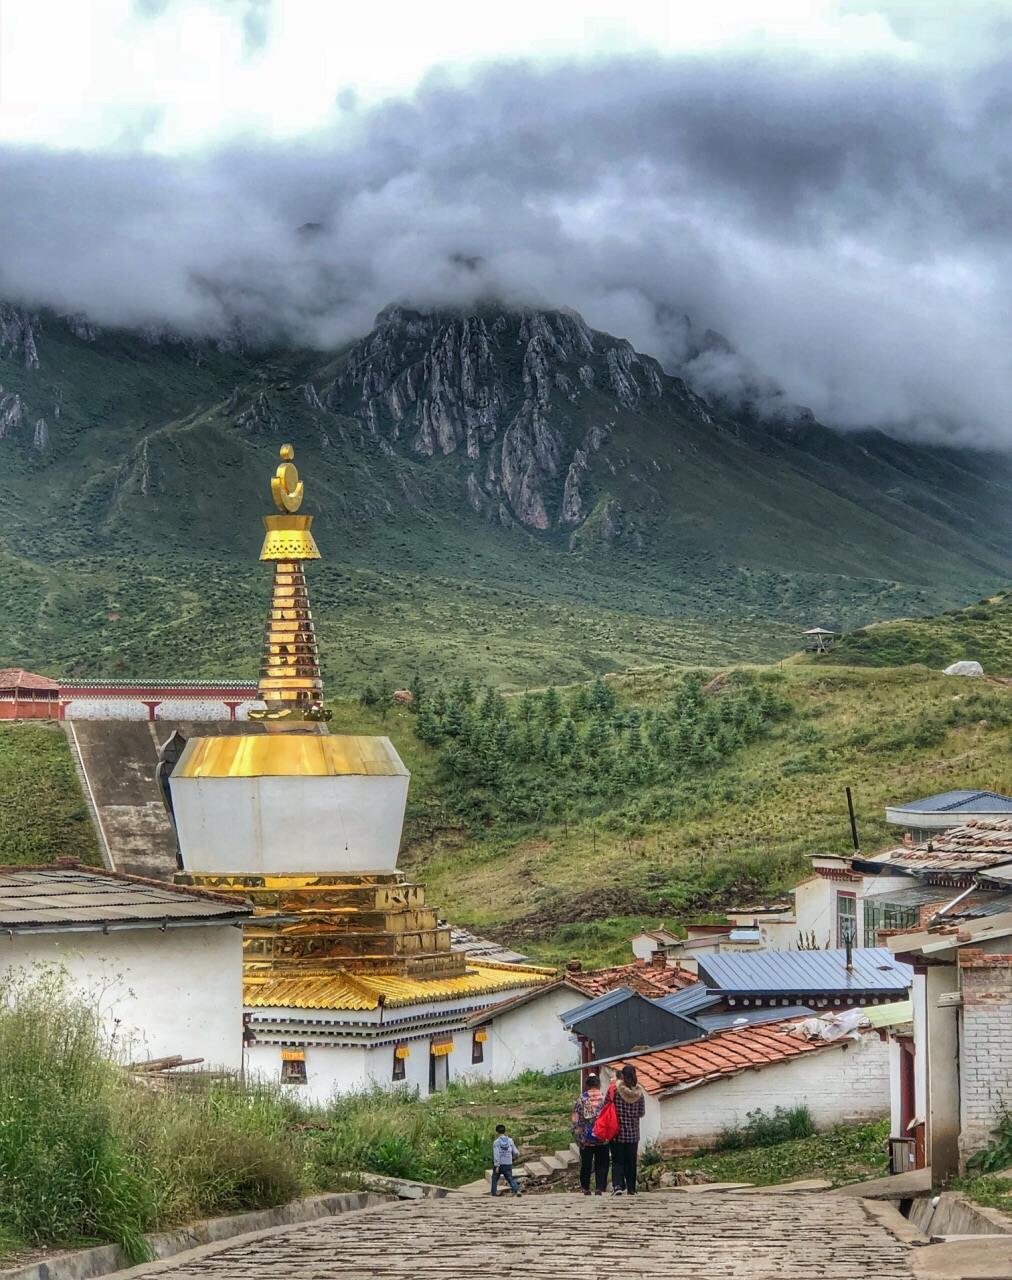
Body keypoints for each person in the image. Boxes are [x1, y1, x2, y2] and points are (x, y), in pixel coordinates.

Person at [610, 1063, 646, 1195]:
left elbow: (607, 1106)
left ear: (623, 1076)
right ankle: (632, 1188)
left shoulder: (616, 1091)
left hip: (618, 1133)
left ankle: (618, 1186)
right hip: (633, 1135)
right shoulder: (639, 1094)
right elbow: (642, 1113)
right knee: (631, 1162)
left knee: (617, 1161)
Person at [571, 1073, 610, 1195]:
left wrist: (578, 1135)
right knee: (602, 1163)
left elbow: (576, 1119)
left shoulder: (581, 1099)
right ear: (598, 1084)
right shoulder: (604, 1099)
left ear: (587, 1085)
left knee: (586, 1164)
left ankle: (585, 1188)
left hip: (586, 1138)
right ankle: (600, 1187)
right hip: (602, 1137)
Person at [491, 1123, 522, 1197]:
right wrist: (517, 1155)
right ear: (504, 1131)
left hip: (500, 1164)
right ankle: (517, 1190)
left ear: (497, 1132)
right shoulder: (510, 1140)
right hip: (508, 1163)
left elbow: (496, 1155)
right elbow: (515, 1151)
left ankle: (493, 1193)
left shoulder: (496, 1142)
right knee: (510, 1178)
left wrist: (497, 1165)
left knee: (495, 1178)